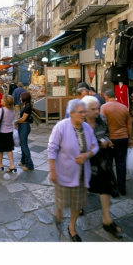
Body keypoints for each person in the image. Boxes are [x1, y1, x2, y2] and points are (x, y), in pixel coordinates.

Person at [48, 99, 99, 242]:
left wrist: (87, 155)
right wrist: (52, 170)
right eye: (81, 112)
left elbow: (95, 146)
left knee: (78, 203)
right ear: (71, 113)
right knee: (62, 199)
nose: (84, 115)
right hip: (63, 171)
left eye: (85, 111)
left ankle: (72, 227)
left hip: (82, 173)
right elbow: (52, 149)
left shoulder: (87, 128)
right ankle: (58, 212)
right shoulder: (61, 127)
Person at [82, 95, 122, 239]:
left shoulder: (102, 119)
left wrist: (105, 141)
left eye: (97, 108)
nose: (97, 111)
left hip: (100, 159)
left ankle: (107, 219)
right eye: (93, 109)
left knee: (105, 187)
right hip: (84, 160)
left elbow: (106, 134)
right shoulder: (78, 122)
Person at [100, 89, 133, 196]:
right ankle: (122, 188)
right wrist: (130, 138)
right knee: (121, 164)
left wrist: (106, 139)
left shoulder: (104, 107)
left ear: (106, 96)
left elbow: (102, 125)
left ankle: (113, 189)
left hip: (111, 139)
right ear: (115, 96)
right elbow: (129, 124)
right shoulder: (124, 107)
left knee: (109, 165)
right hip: (123, 138)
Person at [0, 94, 16, 173]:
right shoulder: (12, 110)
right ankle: (12, 165)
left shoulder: (1, 110)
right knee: (9, 149)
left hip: (1, 132)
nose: (1, 100)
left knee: (0, 149)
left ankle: (0, 164)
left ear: (5, 102)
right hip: (9, 132)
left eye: (2, 99)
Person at [15, 91, 34, 171]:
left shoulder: (27, 107)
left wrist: (16, 121)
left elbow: (23, 119)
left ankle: (29, 164)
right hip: (22, 126)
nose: (20, 98)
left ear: (24, 98)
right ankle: (23, 160)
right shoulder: (25, 105)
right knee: (22, 144)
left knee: (24, 145)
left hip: (24, 126)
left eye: (21, 97)